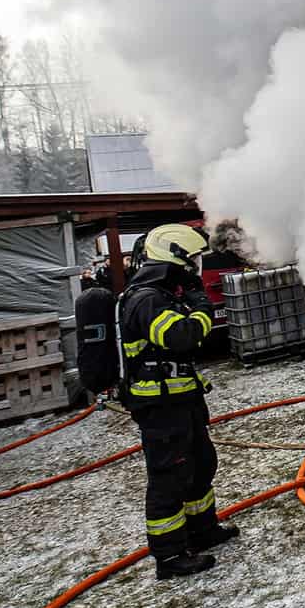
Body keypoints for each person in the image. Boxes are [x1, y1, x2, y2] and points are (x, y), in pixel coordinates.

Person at [119, 223, 237, 580]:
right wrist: (202, 309)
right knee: (170, 477)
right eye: (192, 261)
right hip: (160, 408)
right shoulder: (146, 300)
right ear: (175, 259)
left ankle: (202, 530)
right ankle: (169, 556)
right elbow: (181, 337)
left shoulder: (162, 295)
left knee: (200, 464)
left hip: (181, 399)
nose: (195, 269)